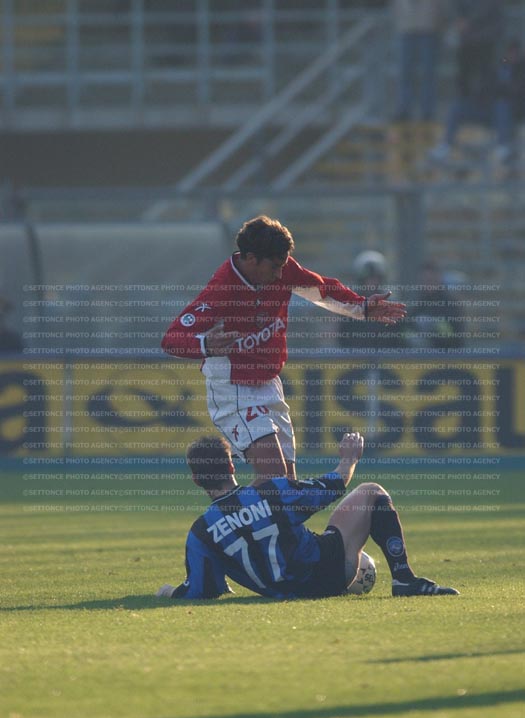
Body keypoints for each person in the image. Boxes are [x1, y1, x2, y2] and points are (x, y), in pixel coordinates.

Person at [162, 216, 406, 482]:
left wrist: (362, 308)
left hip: (269, 385)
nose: (280, 274)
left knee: (287, 486)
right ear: (251, 259)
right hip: (233, 387)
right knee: (276, 479)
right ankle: (225, 510)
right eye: (275, 267)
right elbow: (172, 339)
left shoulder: (283, 268)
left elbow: (321, 289)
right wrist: (205, 345)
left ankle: (238, 507)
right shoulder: (223, 289)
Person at [156, 431, 459, 601]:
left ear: (196, 480)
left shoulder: (201, 532)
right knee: (371, 492)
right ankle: (404, 579)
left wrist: (169, 592)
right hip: (329, 574)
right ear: (232, 467)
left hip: (281, 592)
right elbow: (333, 485)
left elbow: (203, 590)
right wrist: (349, 459)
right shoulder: (272, 492)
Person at [430, 0, 504, 163]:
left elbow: (491, 11)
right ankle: (445, 145)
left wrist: (469, 22)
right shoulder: (466, 56)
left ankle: (502, 145)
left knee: (502, 105)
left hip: (490, 105)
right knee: (457, 106)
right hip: (474, 103)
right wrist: (461, 22)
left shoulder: (492, 56)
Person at [337, 250, 408, 350]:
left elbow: (399, 336)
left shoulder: (391, 306)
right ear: (361, 280)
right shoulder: (351, 306)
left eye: (376, 278)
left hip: (386, 356)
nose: (372, 283)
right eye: (368, 279)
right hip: (357, 356)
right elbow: (343, 337)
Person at [393, 0, 449, 122]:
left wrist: (440, 22)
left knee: (428, 74)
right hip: (406, 26)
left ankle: (427, 111)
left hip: (429, 27)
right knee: (405, 73)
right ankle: (404, 109)